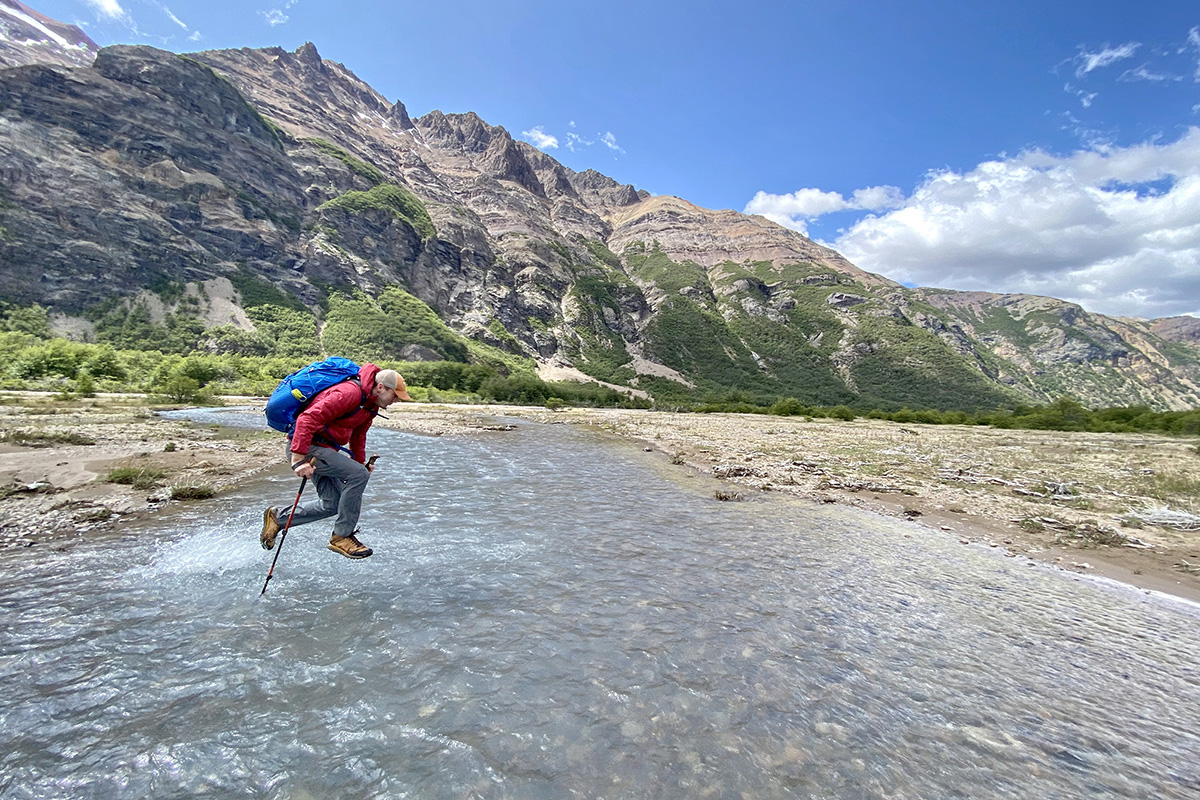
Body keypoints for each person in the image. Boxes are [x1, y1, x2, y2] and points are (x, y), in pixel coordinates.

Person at [260, 364, 411, 559]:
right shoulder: (349, 392)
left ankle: (278, 518)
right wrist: (298, 459)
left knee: (332, 504)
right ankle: (342, 537)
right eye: (395, 395)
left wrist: (359, 463)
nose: (396, 400)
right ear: (381, 387)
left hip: (323, 450)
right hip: (307, 448)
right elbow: (306, 419)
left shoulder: (369, 405)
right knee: (359, 475)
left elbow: (358, 436)